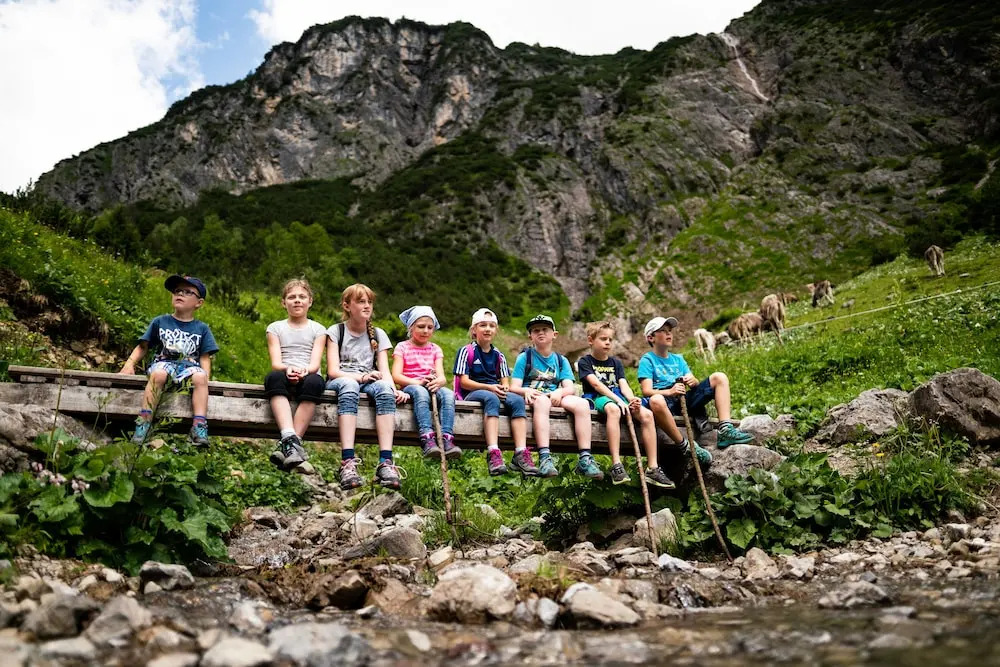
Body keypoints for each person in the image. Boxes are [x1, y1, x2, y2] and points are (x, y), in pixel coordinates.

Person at [326, 284, 408, 490]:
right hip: (343, 379)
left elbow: (384, 370)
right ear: (347, 306)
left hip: (369, 379)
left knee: (384, 390)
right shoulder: (336, 331)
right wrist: (361, 377)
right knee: (349, 385)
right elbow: (333, 371)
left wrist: (393, 389)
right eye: (361, 301)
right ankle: (347, 462)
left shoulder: (378, 334)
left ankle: (385, 462)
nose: (367, 306)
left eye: (369, 302)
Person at [121, 275, 219, 446]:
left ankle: (199, 426)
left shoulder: (202, 328)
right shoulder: (160, 321)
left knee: (200, 376)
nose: (180, 294)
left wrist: (205, 379)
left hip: (189, 367)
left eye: (187, 292)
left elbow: (205, 357)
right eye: (177, 291)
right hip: (163, 364)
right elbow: (143, 346)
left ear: (199, 303)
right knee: (159, 374)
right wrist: (129, 364)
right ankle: (143, 424)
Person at [639, 317, 754, 462]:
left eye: (670, 331)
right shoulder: (648, 360)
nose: (669, 334)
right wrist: (670, 391)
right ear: (651, 338)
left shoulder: (678, 359)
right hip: (663, 404)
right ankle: (685, 446)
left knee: (719, 377)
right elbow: (647, 390)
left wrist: (693, 382)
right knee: (656, 400)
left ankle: (725, 429)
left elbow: (692, 380)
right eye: (663, 331)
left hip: (683, 400)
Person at [578, 321, 675, 488]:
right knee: (613, 409)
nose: (607, 342)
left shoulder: (616, 363)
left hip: (619, 397)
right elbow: (596, 385)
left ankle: (652, 468)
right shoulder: (585, 362)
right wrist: (617, 400)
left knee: (646, 414)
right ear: (591, 340)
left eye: (610, 339)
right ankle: (616, 465)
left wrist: (631, 399)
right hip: (597, 397)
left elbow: (623, 385)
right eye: (603, 339)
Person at [509, 314, 601, 480]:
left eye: (545, 329)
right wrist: (525, 391)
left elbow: (569, 387)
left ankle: (585, 458)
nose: (540, 333)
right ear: (530, 336)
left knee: (582, 404)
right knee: (543, 401)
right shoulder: (525, 357)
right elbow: (513, 387)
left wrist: (559, 392)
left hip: (554, 396)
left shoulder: (560, 360)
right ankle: (545, 457)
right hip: (534, 396)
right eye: (536, 330)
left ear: (554, 334)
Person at [453, 308, 539, 476]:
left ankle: (521, 452)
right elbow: (464, 382)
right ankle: (493, 452)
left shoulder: (498, 355)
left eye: (491, 326)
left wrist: (503, 388)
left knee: (517, 401)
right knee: (491, 399)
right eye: (483, 325)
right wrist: (490, 388)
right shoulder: (467, 351)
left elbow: (504, 381)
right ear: (474, 330)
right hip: (472, 393)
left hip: (493, 390)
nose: (488, 329)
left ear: (496, 330)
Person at [263, 279, 327, 471]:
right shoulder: (275, 328)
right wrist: (288, 369)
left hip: (308, 373)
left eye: (302, 297)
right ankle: (291, 439)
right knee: (273, 378)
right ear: (284, 303)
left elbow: (315, 363)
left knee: (315, 382)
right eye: (292, 297)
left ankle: (289, 445)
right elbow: (276, 362)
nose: (297, 300)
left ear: (310, 301)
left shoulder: (318, 329)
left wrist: (304, 371)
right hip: (285, 370)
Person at [392, 305, 461, 460]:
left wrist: (438, 382)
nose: (426, 331)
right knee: (420, 392)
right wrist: (418, 382)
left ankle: (447, 437)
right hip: (411, 385)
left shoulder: (435, 349)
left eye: (430, 327)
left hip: (431, 386)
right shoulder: (402, 347)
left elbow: (442, 377)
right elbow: (396, 376)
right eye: (421, 326)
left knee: (448, 395)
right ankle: (427, 437)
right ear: (411, 327)